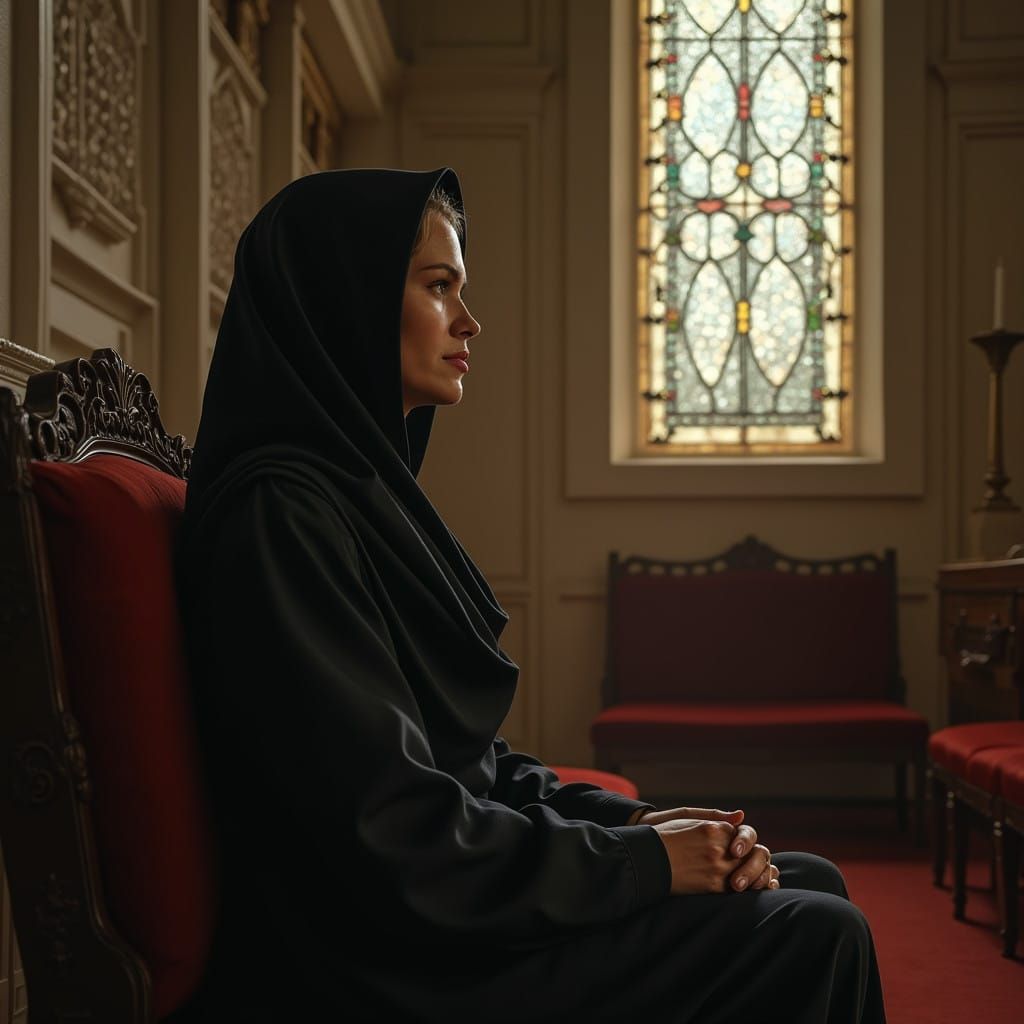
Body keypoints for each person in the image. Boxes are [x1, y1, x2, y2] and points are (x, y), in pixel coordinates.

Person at [172, 167, 887, 1023]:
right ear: (346, 297)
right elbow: (396, 836)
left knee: (808, 879)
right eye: (439, 288)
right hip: (380, 964)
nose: (469, 322)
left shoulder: (347, 496)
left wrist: (638, 826)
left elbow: (469, 766)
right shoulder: (280, 515)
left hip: (435, 910)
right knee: (817, 929)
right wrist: (646, 863)